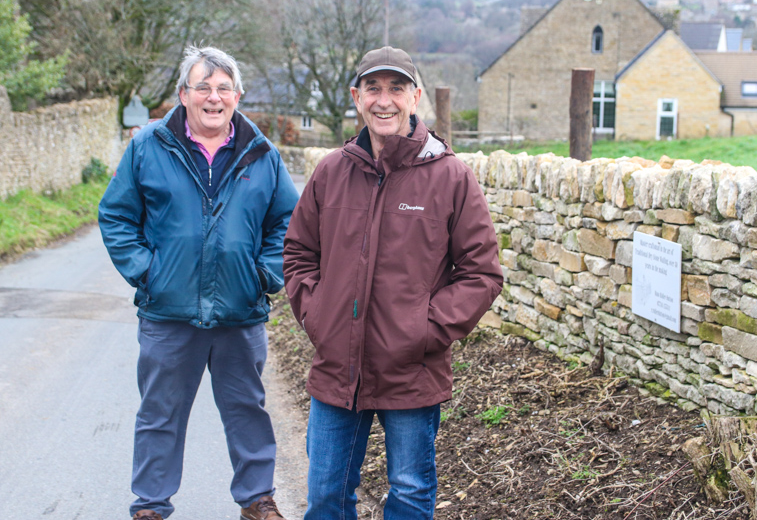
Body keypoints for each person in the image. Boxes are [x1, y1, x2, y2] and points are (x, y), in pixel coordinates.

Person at [283, 45, 503, 520]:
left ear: (416, 97)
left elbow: (482, 273)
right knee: (325, 495)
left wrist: (422, 331)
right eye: (373, 89)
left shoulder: (450, 177)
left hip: (412, 370)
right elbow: (299, 254)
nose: (385, 101)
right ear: (356, 98)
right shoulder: (331, 173)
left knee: (408, 493)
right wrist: (319, 316)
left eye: (397, 89)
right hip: (337, 366)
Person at [99, 46, 298, 520]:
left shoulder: (262, 153)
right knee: (160, 415)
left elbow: (288, 222)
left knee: (247, 411)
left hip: (239, 311)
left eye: (223, 88)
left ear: (238, 95)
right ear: (183, 94)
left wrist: (263, 276)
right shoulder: (148, 145)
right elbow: (116, 215)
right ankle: (150, 505)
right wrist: (148, 271)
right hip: (168, 313)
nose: (214, 97)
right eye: (203, 87)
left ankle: (257, 500)